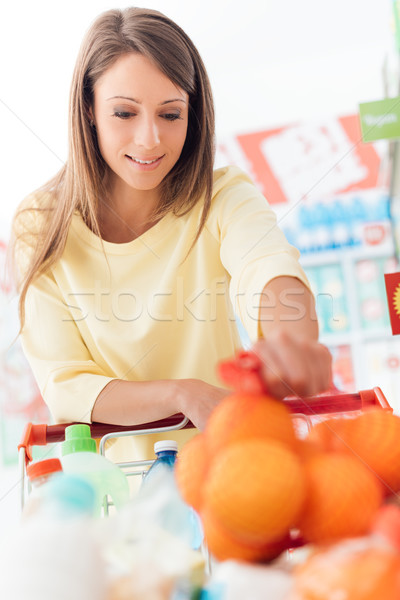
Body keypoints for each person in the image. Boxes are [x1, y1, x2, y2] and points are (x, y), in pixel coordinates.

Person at [11, 7, 332, 461]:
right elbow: (67, 385)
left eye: (170, 114)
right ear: (89, 108)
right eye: (124, 112)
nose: (149, 140)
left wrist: (290, 344)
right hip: (119, 493)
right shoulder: (40, 225)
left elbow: (268, 270)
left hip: (232, 468)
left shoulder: (222, 197)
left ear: (192, 114)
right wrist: (183, 395)